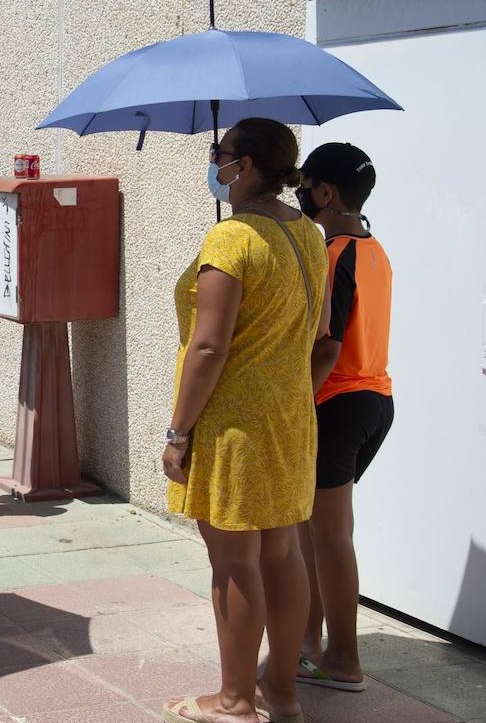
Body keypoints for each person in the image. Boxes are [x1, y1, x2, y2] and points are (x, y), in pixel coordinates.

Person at [161, 118, 330, 723]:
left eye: (220, 155)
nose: (215, 164)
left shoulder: (231, 239)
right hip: (287, 415)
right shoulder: (309, 234)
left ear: (248, 165)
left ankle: (234, 700)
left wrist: (178, 432)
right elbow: (321, 333)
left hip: (233, 424)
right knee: (282, 556)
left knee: (233, 562)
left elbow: (209, 348)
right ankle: (281, 694)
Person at [295, 143, 393, 695]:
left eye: (305, 185)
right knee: (315, 533)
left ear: (325, 193)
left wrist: (296, 404)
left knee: (330, 538)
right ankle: (307, 646)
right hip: (373, 402)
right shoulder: (374, 248)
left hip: (338, 403)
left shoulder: (332, 253)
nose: (300, 193)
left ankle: (344, 660)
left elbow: (328, 346)